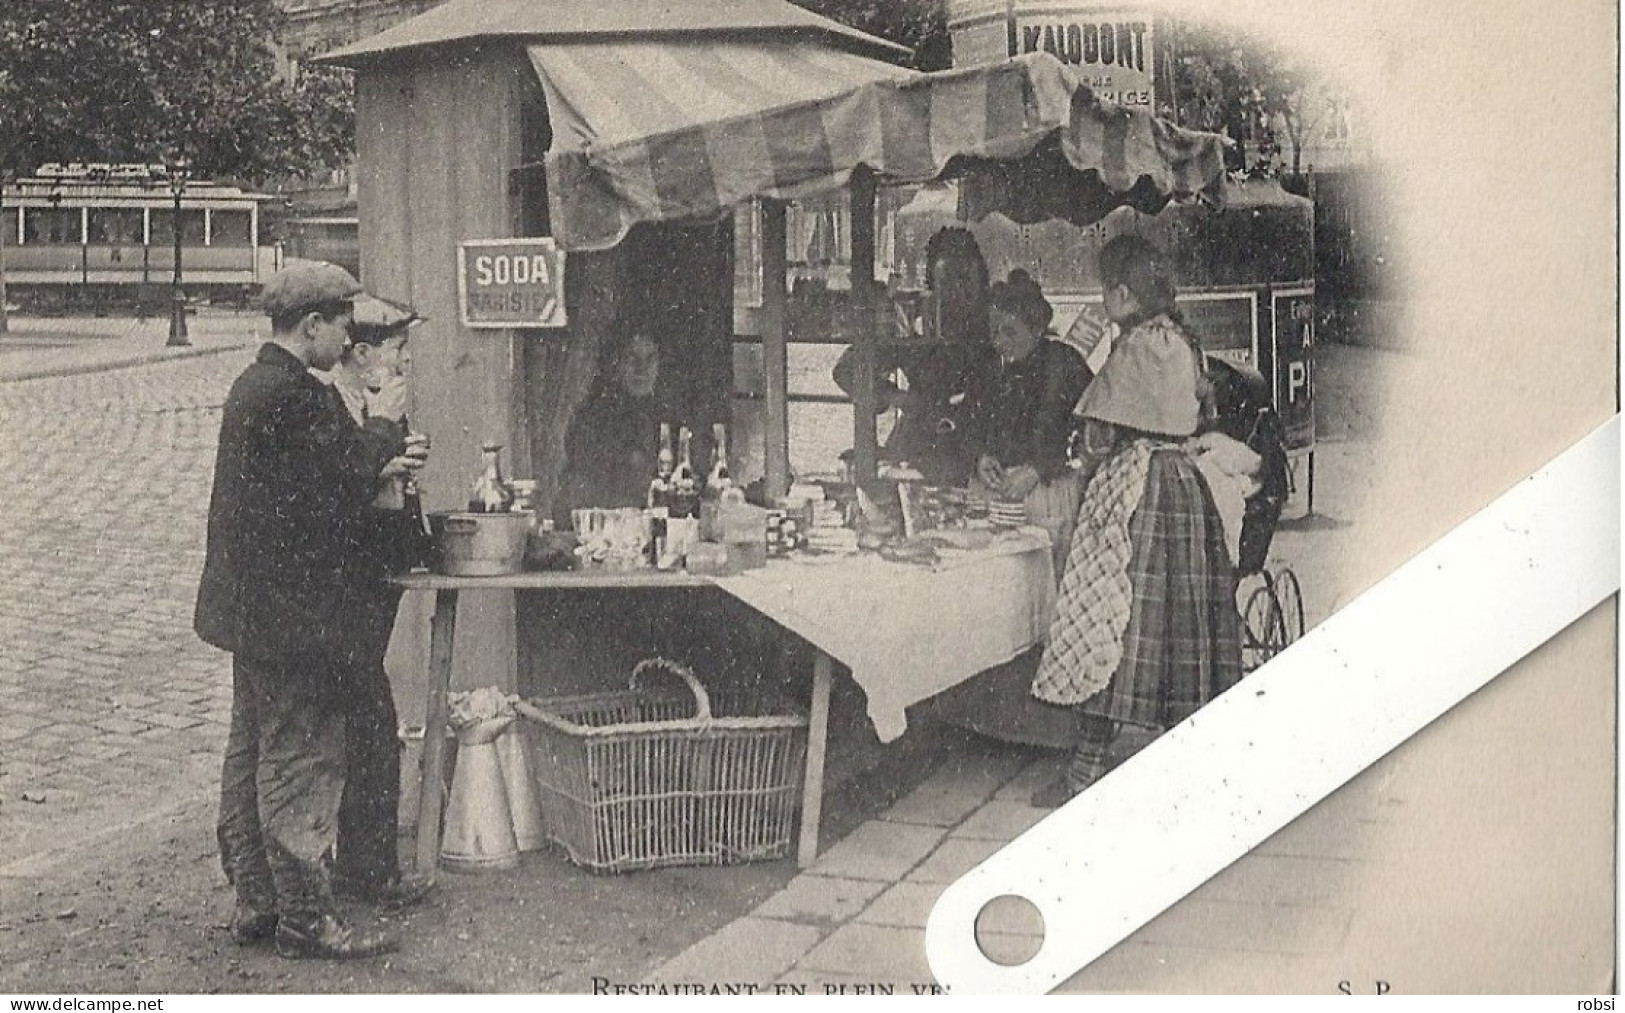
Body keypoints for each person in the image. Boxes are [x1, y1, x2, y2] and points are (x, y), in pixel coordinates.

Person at [195, 262, 426, 959]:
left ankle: (255, 901)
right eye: (343, 324)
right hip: (289, 618)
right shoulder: (292, 396)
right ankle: (304, 915)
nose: (351, 336)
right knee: (299, 757)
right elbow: (342, 472)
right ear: (313, 326)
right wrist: (383, 428)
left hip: (249, 613)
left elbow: (307, 491)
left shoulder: (255, 385)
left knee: (250, 751)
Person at [1030, 235, 1248, 807]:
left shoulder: (1137, 348)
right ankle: (1193, 764)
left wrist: (1085, 449)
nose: (1104, 301)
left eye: (1107, 291)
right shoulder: (1181, 341)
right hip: (1183, 484)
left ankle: (1087, 767)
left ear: (1123, 292)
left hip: (1136, 489)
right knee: (1178, 629)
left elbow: (1101, 431)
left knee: (1108, 614)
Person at [324, 293, 434, 908]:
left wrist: (399, 463)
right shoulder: (340, 407)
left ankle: (366, 867)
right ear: (361, 354)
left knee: (369, 717)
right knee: (367, 719)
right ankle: (366, 873)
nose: (406, 363)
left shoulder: (369, 403)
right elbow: (338, 493)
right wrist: (384, 456)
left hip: (373, 571)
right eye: (397, 351)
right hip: (348, 583)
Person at [832, 227, 998, 487]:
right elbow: (848, 368)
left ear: (982, 282)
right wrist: (897, 397)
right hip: (920, 450)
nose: (958, 294)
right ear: (933, 287)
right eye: (948, 283)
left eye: (966, 281)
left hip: (984, 454)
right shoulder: (918, 328)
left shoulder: (999, 327)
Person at [971, 269, 1093, 569]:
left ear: (1037, 327)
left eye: (1009, 331)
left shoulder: (1065, 365)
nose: (999, 341)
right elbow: (973, 424)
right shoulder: (991, 369)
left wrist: (1039, 468)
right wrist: (981, 457)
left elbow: (1091, 438)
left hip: (1051, 496)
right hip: (998, 497)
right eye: (994, 331)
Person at [554, 328, 677, 522]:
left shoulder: (670, 415)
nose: (641, 369)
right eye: (632, 358)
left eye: (650, 359)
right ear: (617, 363)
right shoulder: (593, 415)